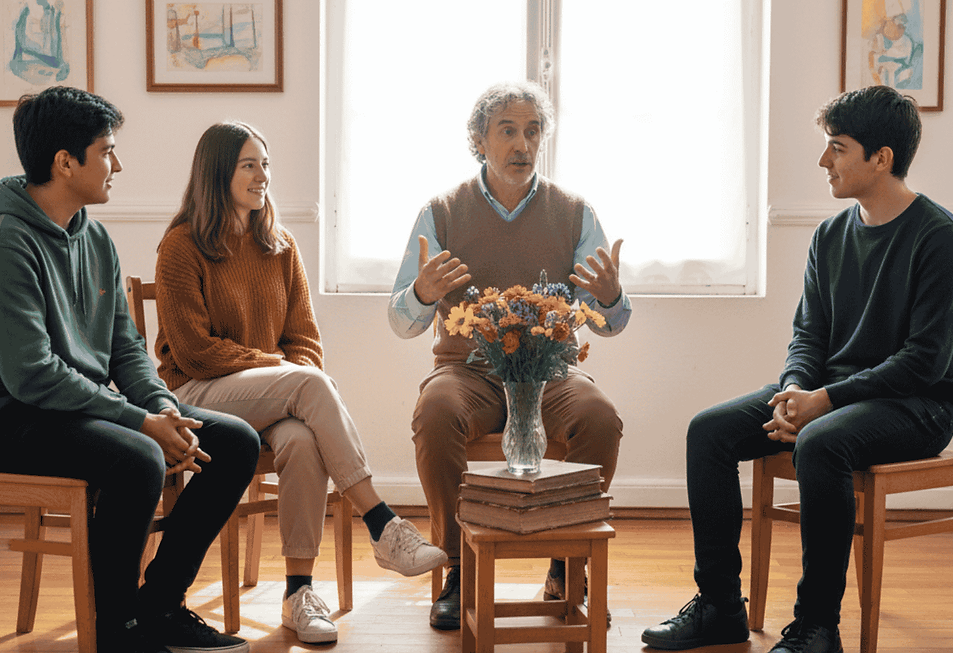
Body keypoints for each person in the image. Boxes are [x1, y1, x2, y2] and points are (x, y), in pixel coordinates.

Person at [641, 85, 953, 653]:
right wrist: (798, 387)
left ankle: (818, 627)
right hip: (831, 395)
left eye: (837, 148)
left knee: (820, 443)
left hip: (917, 406)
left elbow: (924, 362)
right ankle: (721, 606)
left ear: (882, 158)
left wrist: (825, 401)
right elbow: (808, 335)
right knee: (710, 431)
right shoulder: (829, 235)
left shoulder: (941, 239)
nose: (824, 161)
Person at [154, 121, 449, 645]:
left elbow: (305, 341)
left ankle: (298, 593)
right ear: (217, 172)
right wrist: (275, 368)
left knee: (305, 438)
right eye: (249, 164)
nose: (262, 175)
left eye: (265, 164)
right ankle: (382, 524)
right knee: (309, 385)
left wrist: (281, 374)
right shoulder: (181, 246)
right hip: (196, 396)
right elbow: (195, 353)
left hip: (270, 398)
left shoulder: (280, 245)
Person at [0, 87, 261, 653]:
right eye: (107, 151)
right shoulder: (7, 237)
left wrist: (161, 407)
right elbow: (32, 374)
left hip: (84, 409)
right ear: (65, 163)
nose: (118, 164)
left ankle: (159, 604)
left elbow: (125, 349)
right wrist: (140, 424)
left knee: (235, 440)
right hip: (18, 418)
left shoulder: (94, 235)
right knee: (138, 455)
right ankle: (117, 632)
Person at [389, 81, 631, 630]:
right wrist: (423, 293)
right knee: (435, 412)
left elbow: (612, 322)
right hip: (466, 370)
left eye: (533, 131)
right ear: (478, 140)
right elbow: (401, 321)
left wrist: (613, 296)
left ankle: (566, 566)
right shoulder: (441, 212)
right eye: (508, 131)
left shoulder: (574, 212)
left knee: (598, 417)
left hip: (552, 370)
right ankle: (458, 568)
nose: (523, 145)